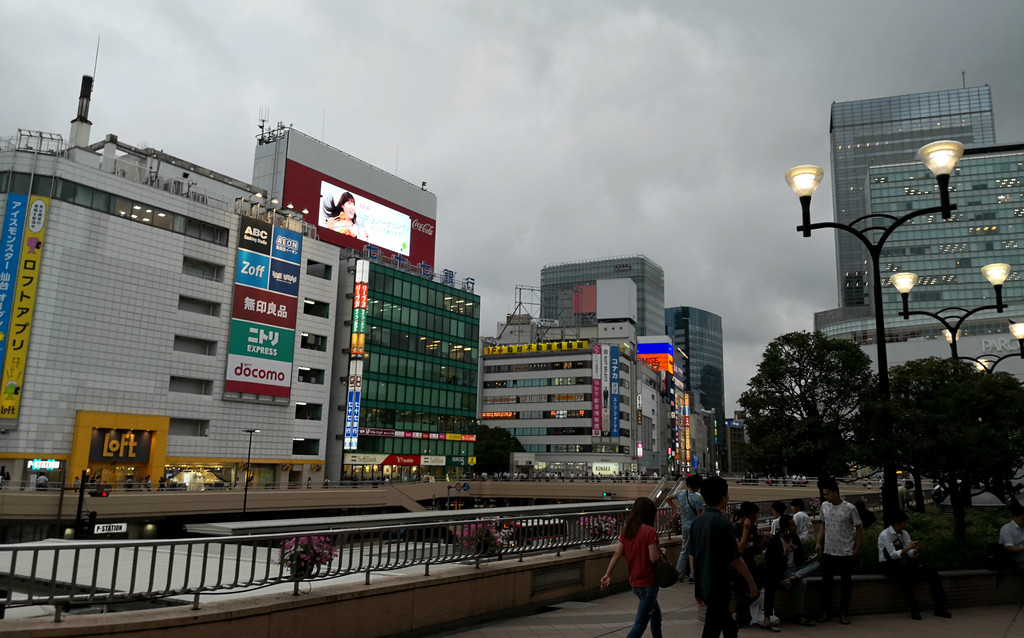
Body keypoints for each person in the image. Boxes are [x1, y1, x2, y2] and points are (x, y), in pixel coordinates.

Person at [690, 475, 759, 638]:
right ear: (722, 497)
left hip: (706, 585)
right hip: (719, 585)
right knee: (715, 628)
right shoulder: (722, 523)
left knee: (723, 626)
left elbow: (693, 557)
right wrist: (751, 582)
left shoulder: (698, 522)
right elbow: (736, 558)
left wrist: (698, 588)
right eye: (727, 494)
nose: (728, 498)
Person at [600, 497, 666, 638]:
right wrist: (661, 552)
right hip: (648, 582)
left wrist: (608, 574)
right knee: (640, 624)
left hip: (635, 582)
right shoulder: (649, 531)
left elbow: (617, 553)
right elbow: (653, 558)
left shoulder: (626, 530)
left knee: (656, 616)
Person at [877, 509, 951, 620]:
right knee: (904, 577)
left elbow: (910, 554)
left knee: (932, 574)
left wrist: (915, 550)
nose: (906, 524)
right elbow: (892, 555)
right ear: (897, 523)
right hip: (889, 565)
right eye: (904, 522)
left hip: (904, 564)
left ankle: (940, 606)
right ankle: (914, 608)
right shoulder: (885, 535)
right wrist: (907, 548)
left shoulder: (904, 534)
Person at [815, 477, 862, 625]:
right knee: (826, 584)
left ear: (836, 493)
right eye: (824, 494)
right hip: (829, 551)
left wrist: (857, 547)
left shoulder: (850, 508)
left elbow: (859, 527)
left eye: (828, 494)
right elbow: (823, 524)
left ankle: (844, 613)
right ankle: (825, 612)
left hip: (846, 552)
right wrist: (818, 541)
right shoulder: (824, 506)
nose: (826, 497)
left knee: (846, 585)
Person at [767, 514, 819, 627]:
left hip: (797, 568)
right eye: (793, 525)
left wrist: (808, 560)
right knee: (803, 582)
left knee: (816, 563)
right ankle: (798, 615)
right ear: (786, 529)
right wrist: (784, 555)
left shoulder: (794, 538)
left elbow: (800, 557)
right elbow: (773, 564)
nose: (796, 527)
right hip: (785, 570)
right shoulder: (775, 541)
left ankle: (795, 577)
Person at [732, 501, 775, 631]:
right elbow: (739, 550)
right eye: (755, 515)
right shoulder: (733, 529)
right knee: (753, 591)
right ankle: (736, 614)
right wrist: (745, 530)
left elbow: (756, 550)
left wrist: (764, 540)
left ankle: (767, 618)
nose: (756, 517)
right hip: (737, 569)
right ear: (747, 516)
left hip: (751, 566)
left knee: (769, 582)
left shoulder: (754, 529)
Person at [668, 473, 704, 582]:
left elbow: (667, 498)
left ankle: (679, 574)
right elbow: (699, 515)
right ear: (697, 485)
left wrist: (676, 509)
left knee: (684, 550)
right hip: (695, 527)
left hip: (684, 526)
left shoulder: (680, 493)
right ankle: (693, 575)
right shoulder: (698, 497)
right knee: (695, 551)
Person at [1000, 498, 1024, 573]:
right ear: (1016, 517)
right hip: (1012, 558)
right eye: (1023, 519)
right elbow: (1011, 548)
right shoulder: (1006, 528)